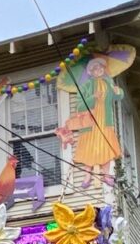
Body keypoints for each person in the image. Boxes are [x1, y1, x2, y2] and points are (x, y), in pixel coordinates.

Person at [54, 46, 135, 189]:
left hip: (105, 121)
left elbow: (117, 96)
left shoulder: (108, 83)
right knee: (88, 149)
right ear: (90, 72)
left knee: (107, 147)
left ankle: (107, 175)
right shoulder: (86, 86)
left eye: (101, 68)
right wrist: (92, 98)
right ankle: (87, 176)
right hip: (91, 122)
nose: (99, 71)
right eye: (95, 69)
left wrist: (118, 91)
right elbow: (79, 106)